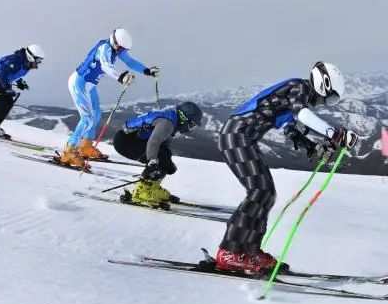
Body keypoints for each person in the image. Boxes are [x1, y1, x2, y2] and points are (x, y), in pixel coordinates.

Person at [215, 62, 359, 274]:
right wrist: (334, 133)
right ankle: (230, 252)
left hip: (243, 138)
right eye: (330, 98)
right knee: (259, 191)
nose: (326, 103)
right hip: (235, 136)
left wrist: (313, 148)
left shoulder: (295, 97)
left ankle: (250, 251)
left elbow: (291, 130)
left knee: (267, 194)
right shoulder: (298, 87)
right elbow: (302, 115)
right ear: (323, 85)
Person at [58, 28, 159, 168]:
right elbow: (106, 66)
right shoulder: (104, 47)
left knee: (96, 115)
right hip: (79, 83)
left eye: (123, 49)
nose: (120, 52)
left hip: (90, 85)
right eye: (120, 48)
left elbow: (130, 61)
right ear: (115, 42)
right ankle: (68, 151)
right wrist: (120, 77)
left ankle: (86, 147)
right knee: (87, 118)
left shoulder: (116, 49)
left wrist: (146, 70)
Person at [112, 102, 203, 206]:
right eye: (191, 125)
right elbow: (153, 142)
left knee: (164, 156)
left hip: (132, 139)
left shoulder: (171, 121)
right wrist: (152, 162)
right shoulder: (168, 123)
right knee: (158, 158)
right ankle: (142, 191)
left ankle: (153, 187)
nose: (190, 129)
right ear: (184, 118)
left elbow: (162, 144)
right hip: (125, 142)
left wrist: (167, 164)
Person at [0, 45, 46, 138]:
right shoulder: (15, 60)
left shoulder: (26, 64)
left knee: (8, 102)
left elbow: (14, 74)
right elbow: (1, 73)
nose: (38, 63)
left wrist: (20, 82)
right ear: (31, 56)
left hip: (1, 80)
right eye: (38, 60)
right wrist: (7, 88)